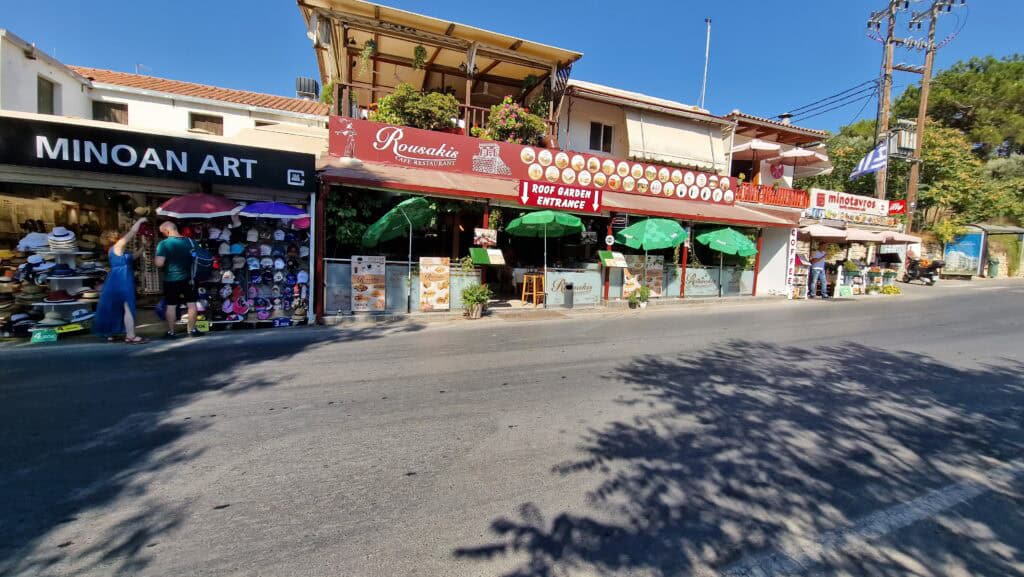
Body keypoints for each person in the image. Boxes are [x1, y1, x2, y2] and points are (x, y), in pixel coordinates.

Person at [93, 217, 148, 343]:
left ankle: (111, 333)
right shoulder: (118, 245)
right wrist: (139, 221)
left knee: (114, 306)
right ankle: (130, 335)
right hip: (122, 279)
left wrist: (143, 248)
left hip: (116, 278)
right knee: (127, 305)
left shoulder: (113, 249)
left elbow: (132, 257)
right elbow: (132, 233)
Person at [155, 221, 200, 338]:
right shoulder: (190, 241)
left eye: (163, 232)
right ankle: (192, 330)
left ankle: (171, 332)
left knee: (171, 305)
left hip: (171, 279)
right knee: (192, 304)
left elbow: (159, 263)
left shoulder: (164, 244)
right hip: (190, 278)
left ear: (167, 231)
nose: (163, 235)